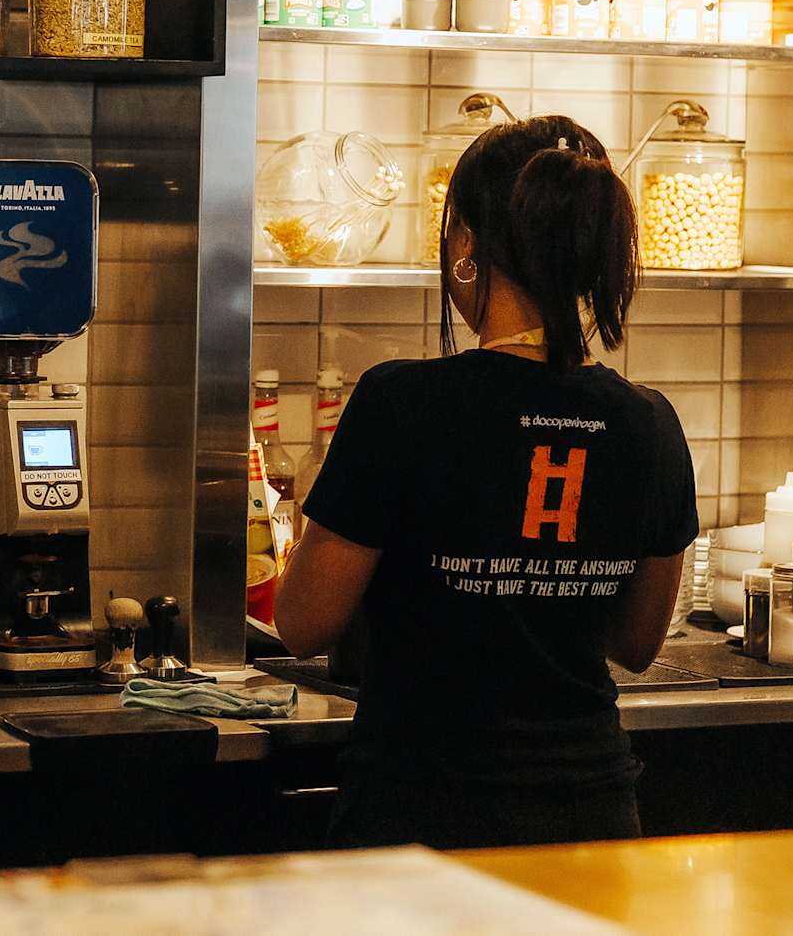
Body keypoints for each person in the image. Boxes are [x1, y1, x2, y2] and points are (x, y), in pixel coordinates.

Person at [275, 114, 697, 850]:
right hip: (589, 823)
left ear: (466, 245)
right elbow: (637, 644)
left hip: (422, 823)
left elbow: (303, 624)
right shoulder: (650, 423)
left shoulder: (401, 403)